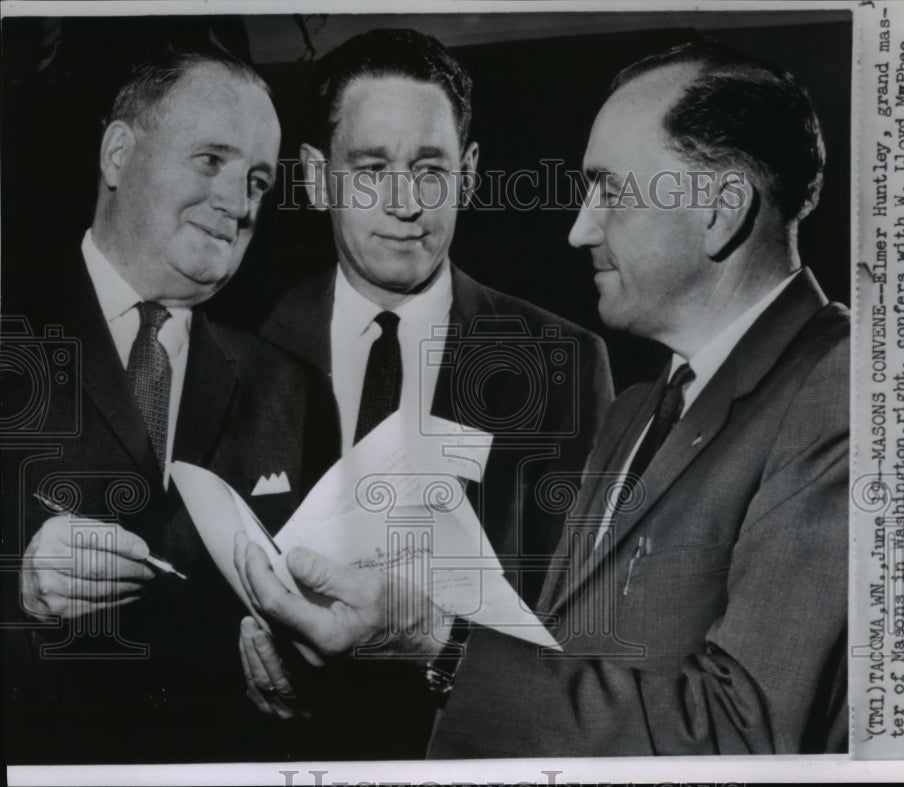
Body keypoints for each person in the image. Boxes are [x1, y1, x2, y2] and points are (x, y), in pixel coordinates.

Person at [238, 39, 848, 756]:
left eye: (611, 192)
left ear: (720, 211)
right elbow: (568, 651)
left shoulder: (842, 387)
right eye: (372, 169)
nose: (577, 226)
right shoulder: (643, 410)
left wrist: (436, 641)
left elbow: (744, 729)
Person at [252, 29, 614, 758]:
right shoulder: (245, 348)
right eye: (370, 167)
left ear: (470, 172)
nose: (406, 203)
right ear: (318, 175)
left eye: (429, 168)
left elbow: (590, 630)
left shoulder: (564, 363)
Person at [0, 48, 338, 763]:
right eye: (211, 160)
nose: (239, 203)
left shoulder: (292, 389)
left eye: (257, 180)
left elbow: (326, 631)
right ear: (119, 153)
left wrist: (308, 668)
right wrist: (17, 584)